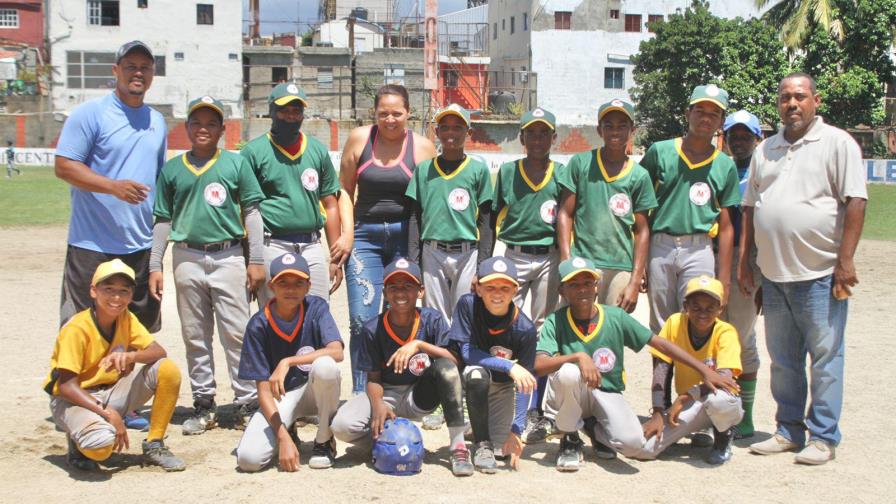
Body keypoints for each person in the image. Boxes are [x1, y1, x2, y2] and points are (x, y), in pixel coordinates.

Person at [741, 73, 867, 465]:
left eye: (799, 97)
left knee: (826, 359)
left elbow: (855, 202)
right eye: (784, 98)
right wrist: (749, 262)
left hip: (820, 274)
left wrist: (845, 262)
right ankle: (788, 430)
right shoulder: (767, 149)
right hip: (775, 277)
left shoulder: (837, 143)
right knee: (784, 361)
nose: (791, 104)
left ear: (816, 100)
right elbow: (751, 207)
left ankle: (824, 436)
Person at [54, 40, 167, 431]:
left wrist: (156, 254)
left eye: (146, 67)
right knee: (81, 326)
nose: (139, 73)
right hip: (93, 244)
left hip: (137, 244)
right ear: (115, 70)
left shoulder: (156, 121)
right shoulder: (90, 114)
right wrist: (112, 187)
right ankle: (72, 402)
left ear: (153, 75)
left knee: (136, 331)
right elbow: (64, 166)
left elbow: (157, 184)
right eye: (131, 65)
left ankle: (125, 402)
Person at [534, 257, 739, 472]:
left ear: (597, 287)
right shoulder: (555, 320)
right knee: (568, 373)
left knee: (634, 446)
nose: (582, 289)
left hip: (607, 392)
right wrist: (577, 357)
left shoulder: (615, 317)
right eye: (573, 285)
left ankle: (592, 427)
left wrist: (704, 370)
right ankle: (570, 438)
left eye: (587, 283)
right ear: (561, 290)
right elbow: (539, 365)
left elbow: (660, 344)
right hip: (574, 392)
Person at [149, 96, 266, 434]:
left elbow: (252, 213)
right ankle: (204, 403)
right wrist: (155, 264)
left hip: (228, 254)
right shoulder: (173, 169)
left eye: (211, 123)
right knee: (195, 333)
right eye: (197, 123)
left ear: (221, 129)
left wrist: (255, 259)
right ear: (186, 127)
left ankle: (246, 400)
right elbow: (162, 220)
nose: (203, 129)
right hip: (186, 255)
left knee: (237, 331)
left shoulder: (235, 164)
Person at [330, 258, 474, 476]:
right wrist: (377, 403)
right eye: (393, 287)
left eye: (408, 286)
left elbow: (455, 362)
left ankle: (458, 446)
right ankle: (391, 442)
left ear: (420, 291)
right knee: (341, 425)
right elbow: (374, 378)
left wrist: (419, 344)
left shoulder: (432, 320)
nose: (400, 293)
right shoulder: (372, 329)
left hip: (419, 395)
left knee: (445, 367)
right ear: (385, 292)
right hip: (386, 393)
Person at [337, 84, 437, 395]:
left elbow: (429, 201)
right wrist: (348, 233)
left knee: (403, 315)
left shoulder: (422, 147)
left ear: (409, 113)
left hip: (403, 238)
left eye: (397, 113)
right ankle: (360, 391)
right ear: (374, 114)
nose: (390, 119)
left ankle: (408, 389)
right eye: (383, 114)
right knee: (361, 318)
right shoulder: (359, 139)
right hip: (364, 237)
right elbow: (343, 190)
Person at [44, 259, 184, 472]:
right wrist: (109, 414)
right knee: (101, 447)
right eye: (108, 289)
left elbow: (158, 352)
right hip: (73, 399)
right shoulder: (77, 328)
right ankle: (78, 442)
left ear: (131, 295)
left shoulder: (126, 318)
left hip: (109, 392)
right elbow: (66, 386)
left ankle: (154, 443)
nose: (116, 298)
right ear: (93, 291)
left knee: (166, 369)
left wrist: (130, 357)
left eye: (123, 290)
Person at [639, 84, 740, 334]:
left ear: (721, 121)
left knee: (699, 318)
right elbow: (639, 207)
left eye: (714, 113)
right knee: (661, 324)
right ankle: (661, 374)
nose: (706, 117)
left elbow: (726, 227)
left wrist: (725, 280)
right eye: (699, 110)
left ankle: (691, 375)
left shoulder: (725, 165)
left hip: (700, 247)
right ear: (687, 114)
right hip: (660, 245)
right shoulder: (659, 152)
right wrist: (638, 263)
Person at [491, 107, 563, 445]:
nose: (537, 139)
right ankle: (504, 402)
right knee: (509, 328)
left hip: (548, 256)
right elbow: (492, 219)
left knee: (542, 329)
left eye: (543, 133)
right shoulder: (507, 172)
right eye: (531, 133)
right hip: (515, 255)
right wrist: (486, 264)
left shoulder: (561, 174)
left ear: (553, 137)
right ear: (521, 138)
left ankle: (537, 408)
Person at [235, 253, 344, 472]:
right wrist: (282, 437)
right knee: (249, 460)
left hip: (315, 392)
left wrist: (288, 361)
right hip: (281, 397)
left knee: (326, 367)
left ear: (308, 286)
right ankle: (289, 430)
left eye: (298, 283)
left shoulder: (316, 307)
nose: (291, 289)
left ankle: (324, 440)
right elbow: (263, 392)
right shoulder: (258, 324)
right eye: (283, 283)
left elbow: (337, 352)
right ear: (271, 286)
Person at [241, 82, 343, 306]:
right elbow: (245, 209)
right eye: (284, 110)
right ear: (271, 112)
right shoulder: (253, 152)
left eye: (296, 110)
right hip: (271, 244)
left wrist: (335, 258)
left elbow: (331, 203)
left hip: (312, 244)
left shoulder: (316, 150)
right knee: (275, 316)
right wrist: (251, 260)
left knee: (318, 313)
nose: (290, 116)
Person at [557, 99, 656, 312]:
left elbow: (642, 230)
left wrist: (635, 279)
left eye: (622, 126)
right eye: (608, 125)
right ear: (599, 130)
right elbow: (565, 213)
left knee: (612, 334)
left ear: (632, 130)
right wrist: (565, 262)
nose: (615, 131)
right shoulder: (581, 164)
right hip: (583, 263)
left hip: (621, 266)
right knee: (579, 332)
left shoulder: (639, 176)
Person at [639, 275, 743, 465]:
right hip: (690, 405)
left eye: (710, 307)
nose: (702, 313)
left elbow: (723, 380)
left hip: (714, 400)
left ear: (720, 309)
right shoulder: (675, 323)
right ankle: (697, 430)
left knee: (720, 399)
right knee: (645, 449)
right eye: (696, 307)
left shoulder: (726, 332)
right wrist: (658, 412)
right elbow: (661, 369)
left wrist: (686, 396)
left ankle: (723, 435)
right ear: (685, 306)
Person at [406, 103, 494, 323]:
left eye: (458, 127)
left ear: (469, 133)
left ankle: (461, 357)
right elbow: (415, 218)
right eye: (445, 127)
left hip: (467, 252)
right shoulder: (424, 170)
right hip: (433, 251)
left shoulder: (478, 170)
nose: (450, 133)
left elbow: (486, 221)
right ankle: (440, 358)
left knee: (465, 314)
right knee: (435, 316)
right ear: (437, 132)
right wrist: (413, 262)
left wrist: (483, 265)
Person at [450, 256, 537, 473]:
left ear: (515, 291)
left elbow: (525, 385)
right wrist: (509, 366)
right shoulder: (468, 305)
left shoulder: (525, 329)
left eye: (504, 288)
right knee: (477, 373)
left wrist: (517, 430)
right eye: (490, 287)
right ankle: (481, 444)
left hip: (501, 389)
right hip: (470, 381)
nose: (497, 293)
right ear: (478, 288)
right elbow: (467, 353)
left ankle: (479, 427)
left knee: (502, 450)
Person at [719, 109, 763, 439]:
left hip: (749, 258)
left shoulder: (762, 171)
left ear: (757, 139)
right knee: (717, 330)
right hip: (717, 254)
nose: (739, 140)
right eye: (734, 134)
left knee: (743, 334)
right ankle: (720, 409)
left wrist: (749, 263)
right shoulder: (723, 168)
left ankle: (745, 416)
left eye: (745, 135)